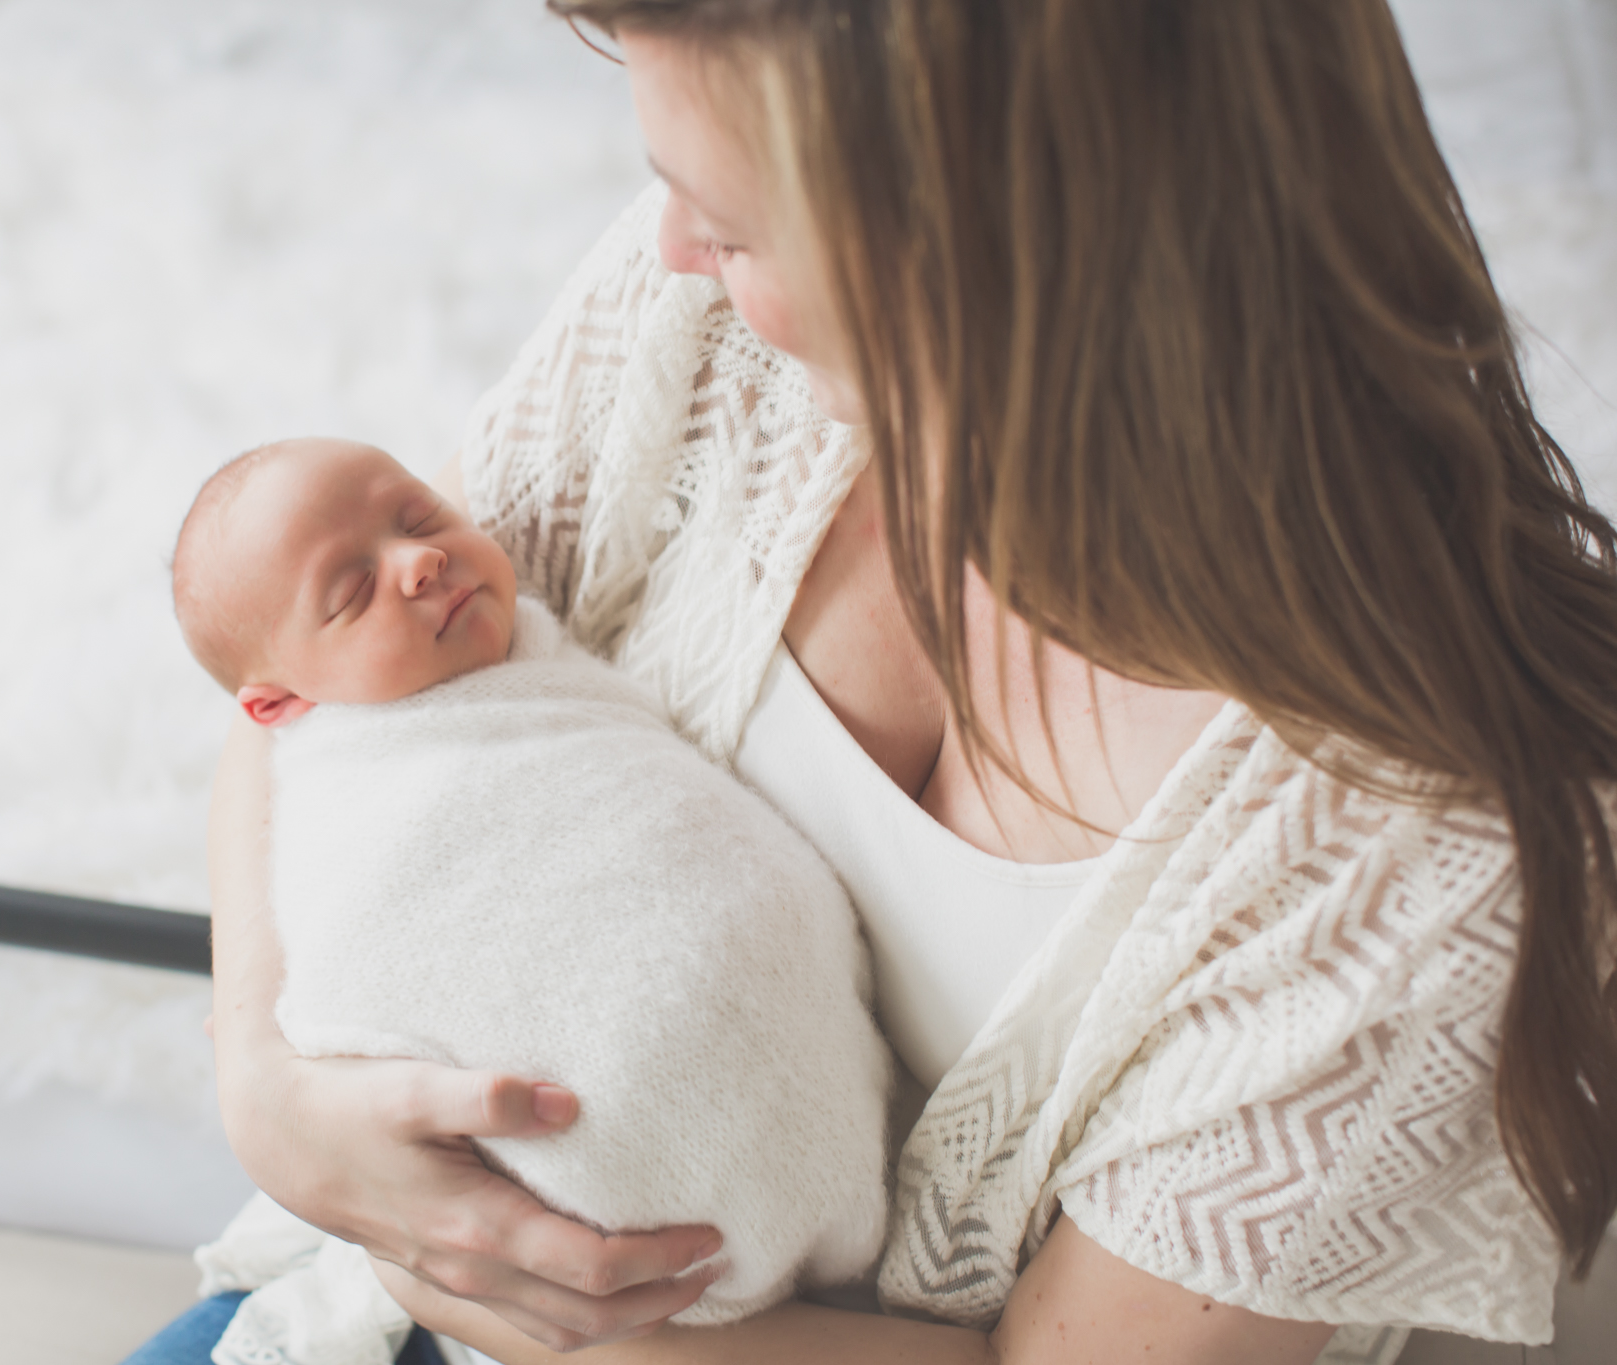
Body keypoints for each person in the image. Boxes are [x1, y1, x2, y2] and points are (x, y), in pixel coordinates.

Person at [175, 3, 1617, 1363]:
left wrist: (543, 1317)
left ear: (1000, 251)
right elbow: (319, 689)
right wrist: (273, 1101)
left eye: (733, 226)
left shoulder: (1425, 866)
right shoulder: (710, 332)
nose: (673, 247)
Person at [164, 435, 891, 1364]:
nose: (419, 559)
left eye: (420, 517)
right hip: (433, 1248)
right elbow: (348, 975)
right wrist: (269, 1081)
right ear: (281, 705)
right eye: (351, 593)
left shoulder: (533, 656)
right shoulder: (352, 789)